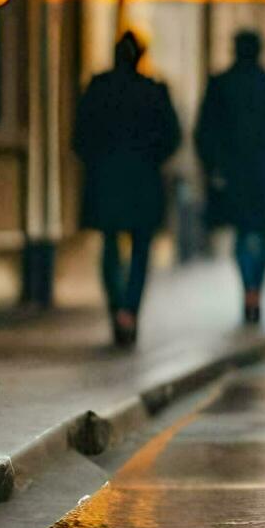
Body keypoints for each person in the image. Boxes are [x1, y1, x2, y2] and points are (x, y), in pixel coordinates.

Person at [72, 31, 181, 347]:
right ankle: (130, 311)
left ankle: (116, 306)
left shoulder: (98, 89)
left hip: (105, 180)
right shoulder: (154, 91)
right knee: (140, 249)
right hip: (143, 181)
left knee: (109, 245)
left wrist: (97, 160)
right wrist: (151, 158)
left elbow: (79, 136)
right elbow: (171, 137)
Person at [195, 30, 265, 324]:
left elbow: (203, 132)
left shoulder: (220, 85)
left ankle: (248, 289)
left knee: (242, 234)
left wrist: (211, 168)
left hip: (234, 176)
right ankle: (256, 289)